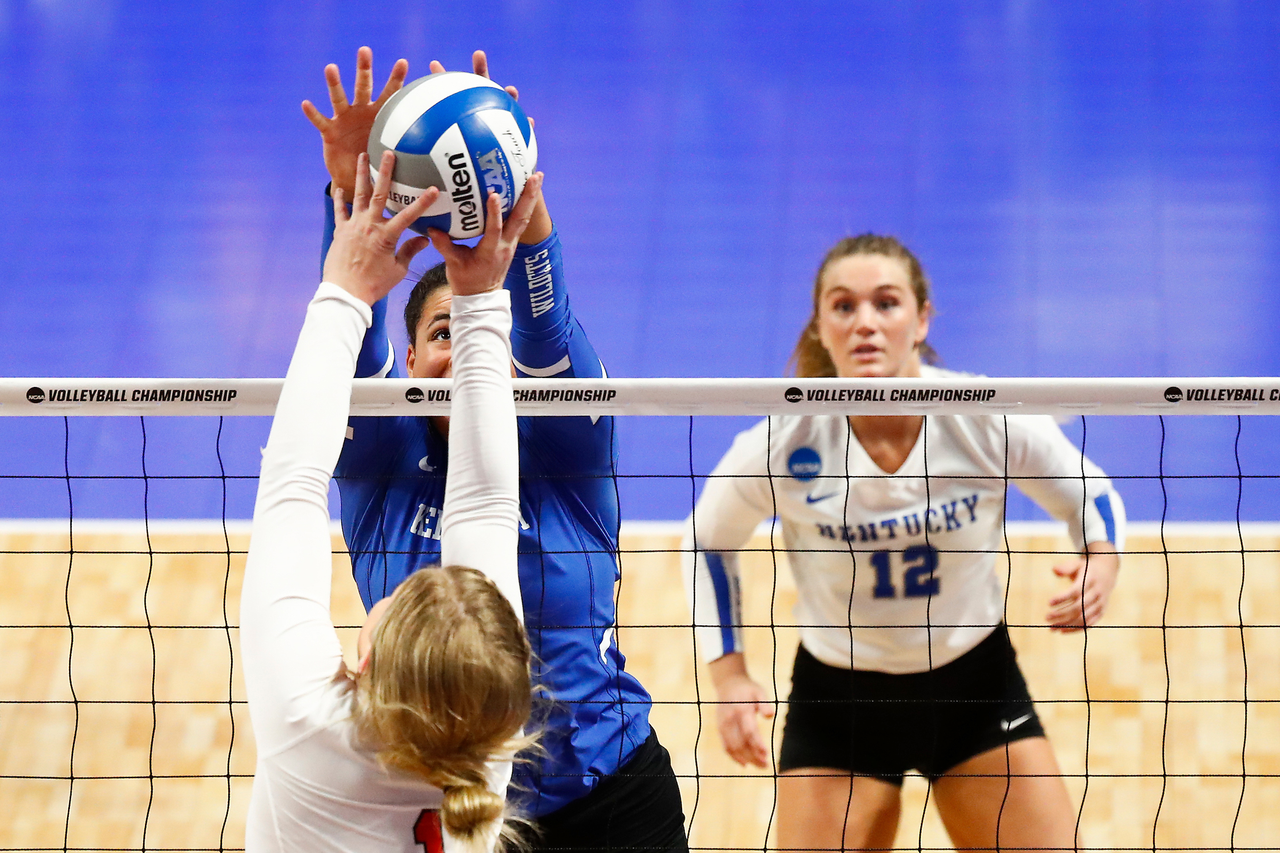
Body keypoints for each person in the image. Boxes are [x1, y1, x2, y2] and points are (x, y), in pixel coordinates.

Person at [302, 49, 686, 852]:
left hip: (608, 795)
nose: (469, 356)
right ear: (411, 361)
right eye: (444, 335)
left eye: (481, 337)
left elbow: (544, 327)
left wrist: (520, 194)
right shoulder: (377, 463)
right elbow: (351, 331)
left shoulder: (568, 454)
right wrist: (353, 193)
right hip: (445, 805)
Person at [682, 234, 1126, 852]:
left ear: (921, 320)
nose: (865, 322)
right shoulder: (787, 440)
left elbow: (1090, 491)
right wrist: (730, 675)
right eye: (843, 306)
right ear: (821, 326)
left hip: (974, 688)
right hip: (842, 704)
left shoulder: (979, 417)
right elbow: (706, 540)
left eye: (886, 304)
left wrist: (1101, 559)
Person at [240, 150, 542, 852]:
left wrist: (349, 287)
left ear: (368, 658)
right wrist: (478, 298)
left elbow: (293, 483)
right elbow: (488, 507)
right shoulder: (485, 747)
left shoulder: (311, 725)